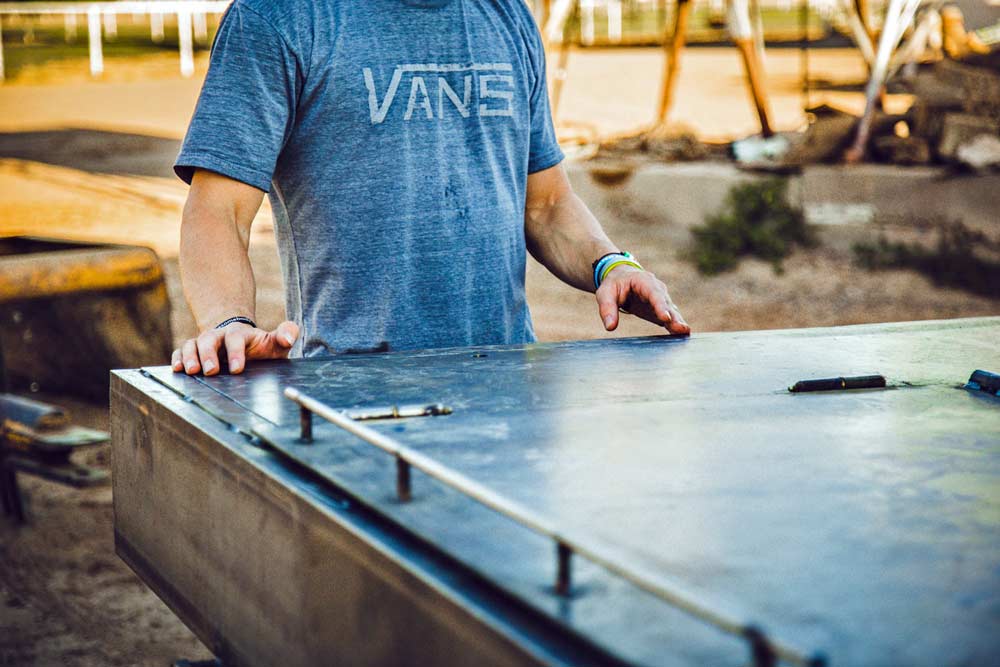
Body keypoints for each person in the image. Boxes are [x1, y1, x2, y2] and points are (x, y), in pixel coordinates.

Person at [171, 0, 689, 377]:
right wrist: (229, 322)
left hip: (506, 383)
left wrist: (611, 263)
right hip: (347, 391)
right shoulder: (277, 17)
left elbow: (548, 204)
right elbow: (217, 211)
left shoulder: (508, 16)